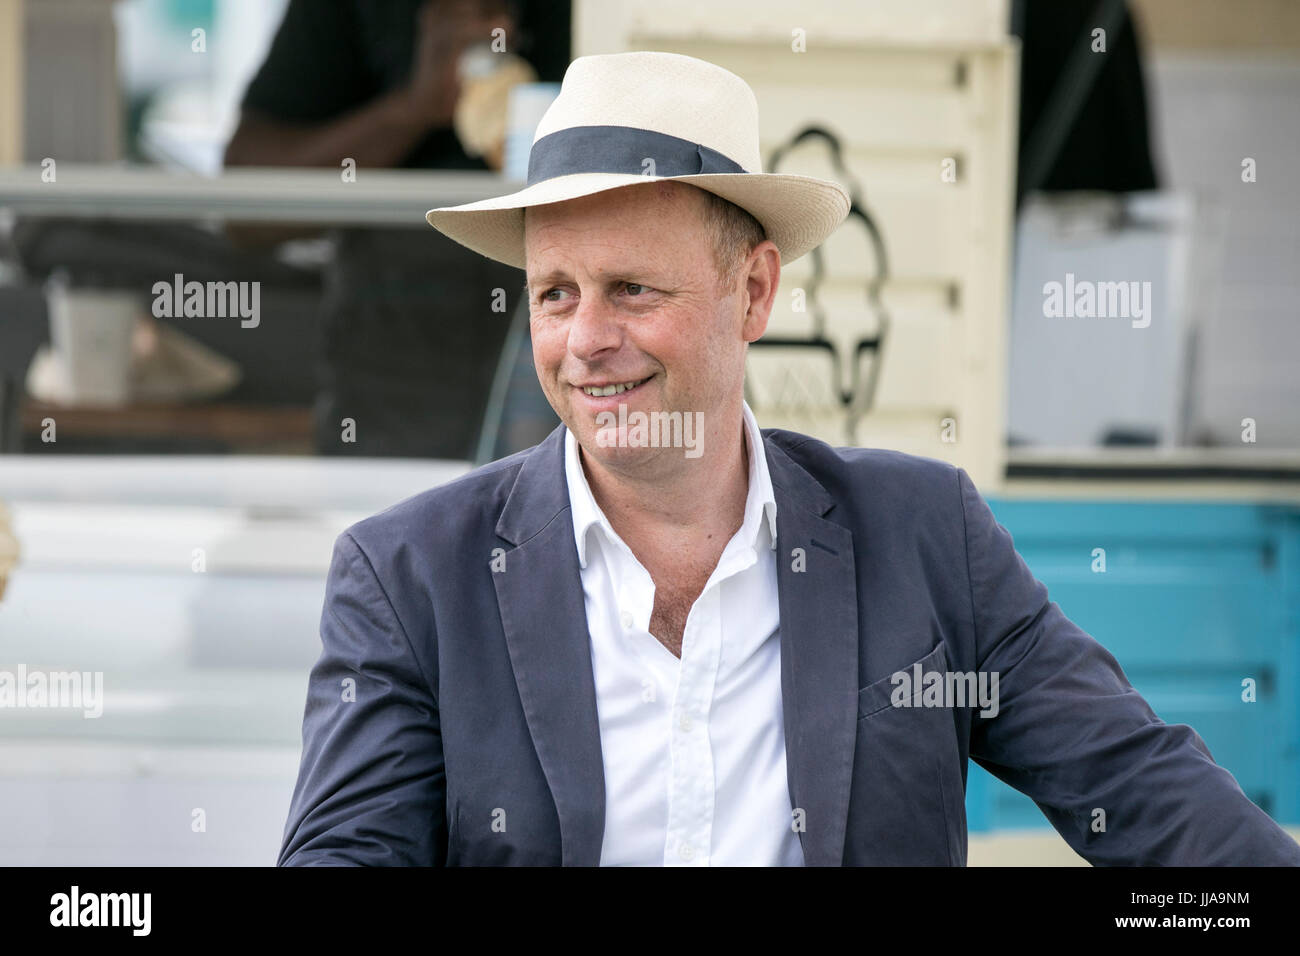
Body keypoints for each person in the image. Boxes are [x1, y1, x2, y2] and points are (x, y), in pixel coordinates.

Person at [278, 51, 1300, 866]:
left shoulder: (923, 533)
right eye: (555, 293)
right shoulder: (412, 574)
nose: (585, 337)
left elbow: (1147, 794)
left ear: (754, 293)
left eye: (633, 288)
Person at [225, 0, 571, 459]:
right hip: (394, 359)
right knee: (395, 520)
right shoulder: (357, 13)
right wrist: (412, 108)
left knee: (565, 511)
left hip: (577, 326)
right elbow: (246, 210)